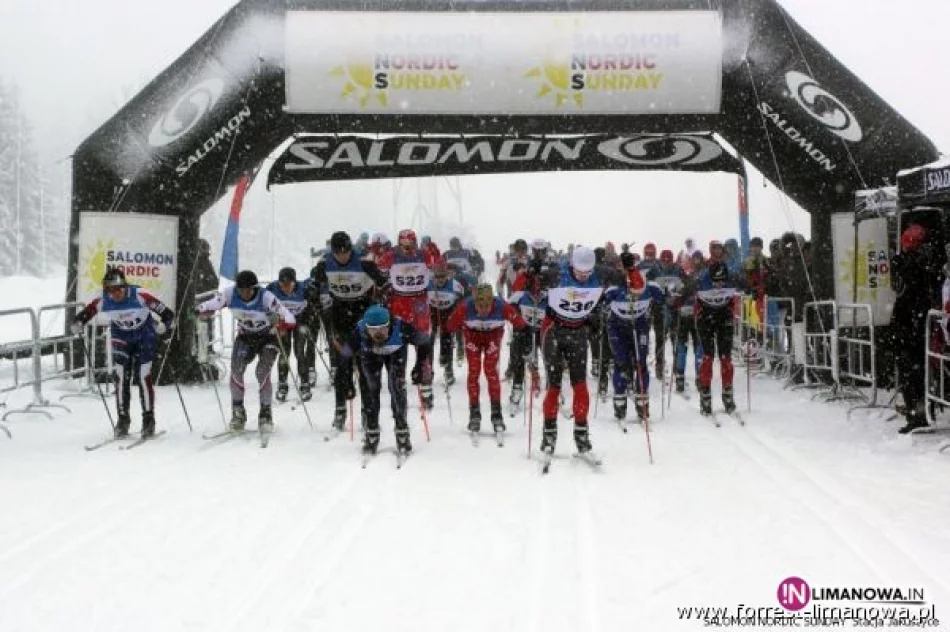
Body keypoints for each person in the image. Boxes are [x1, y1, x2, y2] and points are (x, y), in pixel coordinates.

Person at [72, 268, 175, 439]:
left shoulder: (140, 295)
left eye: (118, 289)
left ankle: (148, 420)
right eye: (110, 290)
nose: (115, 294)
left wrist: (164, 326)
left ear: (125, 287)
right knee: (120, 377)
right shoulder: (104, 301)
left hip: (144, 335)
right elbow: (87, 312)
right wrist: (78, 322)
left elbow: (168, 313)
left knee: (143, 376)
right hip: (122, 337)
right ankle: (123, 420)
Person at [197, 270, 296, 432]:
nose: (244, 294)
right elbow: (211, 304)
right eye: (241, 290)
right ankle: (238, 413)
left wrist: (280, 322)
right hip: (246, 338)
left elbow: (291, 318)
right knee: (236, 370)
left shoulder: (266, 297)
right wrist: (199, 311)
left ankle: (265, 414)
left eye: (248, 290)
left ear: (255, 288)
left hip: (268, 338)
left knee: (262, 372)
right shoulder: (230, 294)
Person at [312, 231, 390, 430]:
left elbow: (384, 283)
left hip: (362, 315)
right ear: (333, 252)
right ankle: (340, 409)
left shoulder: (364, 262)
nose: (343, 256)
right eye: (339, 253)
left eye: (346, 252)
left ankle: (367, 412)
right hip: (340, 315)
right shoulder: (325, 263)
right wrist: (312, 295)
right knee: (342, 363)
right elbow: (313, 283)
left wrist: (384, 299)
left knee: (364, 366)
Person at [539, 246, 605, 457]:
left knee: (580, 386)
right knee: (554, 387)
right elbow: (536, 284)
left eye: (587, 273)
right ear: (571, 266)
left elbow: (599, 301)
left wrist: (595, 317)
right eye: (579, 272)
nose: (583, 276)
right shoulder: (558, 274)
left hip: (577, 332)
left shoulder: (597, 278)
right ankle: (548, 437)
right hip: (554, 331)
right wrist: (537, 274)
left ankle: (582, 438)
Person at [444, 284, 528, 434]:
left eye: (486, 307)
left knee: (491, 372)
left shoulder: (502, 307)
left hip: (493, 338)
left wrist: (524, 341)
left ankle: (497, 414)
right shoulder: (465, 307)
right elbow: (449, 326)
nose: (482, 311)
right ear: (474, 301)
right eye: (479, 306)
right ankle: (474, 413)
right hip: (472, 337)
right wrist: (446, 343)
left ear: (492, 302)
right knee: (474, 372)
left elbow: (522, 325)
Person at [378, 229, 440, 409]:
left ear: (415, 243)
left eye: (410, 246)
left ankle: (425, 380)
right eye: (403, 246)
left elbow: (438, 264)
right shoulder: (391, 256)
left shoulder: (423, 254)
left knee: (423, 342)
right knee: (399, 344)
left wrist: (435, 253)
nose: (407, 250)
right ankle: (399, 381)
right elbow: (379, 270)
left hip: (419, 302)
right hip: (398, 301)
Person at [344, 305, 417, 456]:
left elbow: (424, 341)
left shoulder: (401, 327)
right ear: (366, 326)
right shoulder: (359, 331)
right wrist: (347, 381)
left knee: (396, 387)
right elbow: (345, 356)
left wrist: (420, 366)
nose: (378, 333)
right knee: (370, 389)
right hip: (369, 354)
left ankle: (402, 431)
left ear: (389, 324)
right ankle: (371, 431)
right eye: (373, 329)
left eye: (383, 328)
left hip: (396, 354)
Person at [891, 224, 942, 433]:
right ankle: (920, 410)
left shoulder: (911, 264)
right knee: (919, 370)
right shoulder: (928, 261)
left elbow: (903, 289)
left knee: (911, 371)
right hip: (919, 323)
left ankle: (917, 413)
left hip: (911, 323)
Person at [604, 254, 659, 421]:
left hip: (639, 325)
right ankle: (620, 402)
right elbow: (600, 301)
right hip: (617, 327)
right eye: (622, 265)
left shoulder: (644, 281)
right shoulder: (614, 283)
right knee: (620, 362)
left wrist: (669, 297)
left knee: (641, 363)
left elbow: (663, 299)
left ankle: (642, 403)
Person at [695, 242, 739, 415]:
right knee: (708, 356)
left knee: (726, 357)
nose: (719, 286)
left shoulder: (731, 275)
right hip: (705, 317)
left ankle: (728, 393)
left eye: (722, 282)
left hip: (724, 315)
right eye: (716, 283)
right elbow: (685, 290)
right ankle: (705, 394)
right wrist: (675, 297)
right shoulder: (702, 277)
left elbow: (747, 284)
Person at [266, 267, 315, 402]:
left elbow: (311, 308)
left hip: (299, 320)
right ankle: (282, 384)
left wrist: (306, 321)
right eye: (282, 285)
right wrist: (274, 321)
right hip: (283, 323)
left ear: (294, 282)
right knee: (284, 352)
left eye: (289, 285)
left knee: (299, 351)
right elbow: (266, 307)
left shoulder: (303, 289)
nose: (285, 288)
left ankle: (304, 384)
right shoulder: (272, 289)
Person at [507, 275, 547, 410]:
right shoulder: (519, 296)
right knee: (519, 355)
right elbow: (506, 308)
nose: (536, 296)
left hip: (542, 331)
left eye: (539, 292)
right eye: (533, 292)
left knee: (550, 357)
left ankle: (552, 390)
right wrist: (515, 316)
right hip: (524, 331)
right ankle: (517, 388)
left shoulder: (549, 298)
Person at [427, 261, 467, 385]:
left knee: (447, 341)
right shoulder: (427, 284)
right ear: (433, 276)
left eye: (443, 276)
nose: (440, 279)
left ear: (448, 275)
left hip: (448, 312)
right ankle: (428, 371)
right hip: (432, 313)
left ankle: (448, 371)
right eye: (437, 276)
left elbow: (462, 302)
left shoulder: (455, 286)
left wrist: (457, 315)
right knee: (428, 343)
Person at [671, 251, 705, 393]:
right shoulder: (678, 277)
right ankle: (680, 377)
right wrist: (678, 296)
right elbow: (672, 298)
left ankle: (699, 376)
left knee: (698, 347)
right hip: (683, 316)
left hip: (697, 315)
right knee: (681, 347)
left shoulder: (702, 275)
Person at [194, 238, 219, 359]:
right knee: (200, 326)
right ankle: (202, 349)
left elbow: (213, 280)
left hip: (207, 300)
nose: (207, 251)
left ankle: (207, 348)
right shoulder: (197, 263)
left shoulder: (206, 262)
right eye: (205, 248)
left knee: (208, 325)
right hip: (200, 300)